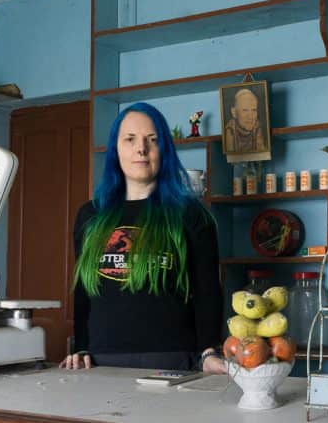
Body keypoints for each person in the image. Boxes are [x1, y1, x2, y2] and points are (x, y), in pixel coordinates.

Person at [60, 102, 227, 373]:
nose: (141, 149)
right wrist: (80, 346)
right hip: (102, 362)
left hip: (173, 361)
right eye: (130, 139)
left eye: (152, 140)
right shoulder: (90, 215)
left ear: (165, 150)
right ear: (116, 148)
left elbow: (207, 291)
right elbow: (83, 291)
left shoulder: (192, 215)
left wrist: (208, 351)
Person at [222, 87, 266, 155]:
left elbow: (262, 154)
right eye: (245, 110)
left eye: (254, 110)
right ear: (234, 112)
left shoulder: (257, 128)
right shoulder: (230, 130)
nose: (250, 116)